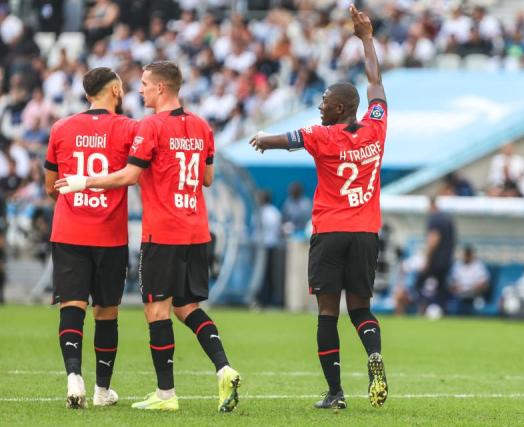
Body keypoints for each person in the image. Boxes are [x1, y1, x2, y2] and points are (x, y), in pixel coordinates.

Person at [56, 61, 240, 412]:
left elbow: (128, 176)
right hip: (197, 229)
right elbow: (208, 177)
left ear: (160, 89)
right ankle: (224, 367)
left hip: (164, 232)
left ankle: (166, 395)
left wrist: (85, 181)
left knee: (157, 310)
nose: (138, 90)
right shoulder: (202, 126)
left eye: (143, 84)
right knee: (187, 308)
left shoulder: (150, 126)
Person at [248, 5, 388, 410]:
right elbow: (375, 80)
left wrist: (261, 137)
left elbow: (286, 139)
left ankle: (335, 392)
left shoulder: (322, 135)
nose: (321, 105)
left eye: (326, 101)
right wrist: (366, 38)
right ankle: (374, 356)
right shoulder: (376, 125)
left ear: (341, 108)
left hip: (330, 231)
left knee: (328, 311)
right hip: (365, 231)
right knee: (360, 308)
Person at [42, 67, 136, 409]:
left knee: (72, 306)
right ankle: (102, 390)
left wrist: (75, 205)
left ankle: (72, 376)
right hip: (109, 233)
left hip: (68, 230)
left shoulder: (61, 127)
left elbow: (50, 186)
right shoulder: (129, 128)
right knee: (107, 312)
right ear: (115, 90)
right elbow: (134, 174)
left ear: (86, 95)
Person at [416, 197, 456, 315]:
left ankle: (423, 307)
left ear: (431, 205)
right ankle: (442, 310)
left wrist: (427, 260)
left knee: (419, 283)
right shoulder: (448, 219)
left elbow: (433, 240)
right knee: (442, 287)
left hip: (436, 259)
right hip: (447, 260)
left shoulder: (434, 219)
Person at [448, 245, 489, 315]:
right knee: (453, 304)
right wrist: (456, 288)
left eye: (469, 254)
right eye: (466, 254)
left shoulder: (478, 265)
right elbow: (452, 283)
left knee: (479, 305)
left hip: (475, 295)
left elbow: (484, 283)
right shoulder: (457, 265)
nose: (467, 256)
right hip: (460, 295)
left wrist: (474, 289)